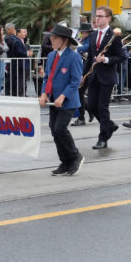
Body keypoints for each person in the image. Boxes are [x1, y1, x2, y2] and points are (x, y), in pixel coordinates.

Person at [40, 23, 85, 176]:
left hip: (68, 101)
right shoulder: (52, 55)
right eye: (51, 37)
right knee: (54, 130)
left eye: (55, 38)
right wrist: (44, 94)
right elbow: (47, 78)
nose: (51, 40)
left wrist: (63, 95)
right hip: (53, 100)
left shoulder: (74, 57)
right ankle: (64, 162)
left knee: (60, 128)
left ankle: (75, 156)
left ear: (65, 40)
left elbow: (75, 81)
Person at [87, 6, 125, 149]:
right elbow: (90, 58)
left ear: (108, 18)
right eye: (96, 16)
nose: (97, 18)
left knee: (102, 107)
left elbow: (121, 56)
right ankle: (109, 125)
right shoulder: (92, 35)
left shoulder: (114, 36)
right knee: (91, 106)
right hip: (94, 76)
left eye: (100, 16)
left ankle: (103, 138)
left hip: (107, 77)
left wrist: (106, 60)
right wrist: (83, 75)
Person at [3, 23, 30, 97]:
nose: (14, 30)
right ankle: (11, 93)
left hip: (16, 62)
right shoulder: (10, 38)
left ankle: (18, 93)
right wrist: (26, 53)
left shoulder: (16, 39)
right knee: (12, 78)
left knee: (18, 79)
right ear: (9, 30)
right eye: (13, 28)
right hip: (13, 61)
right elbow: (15, 49)